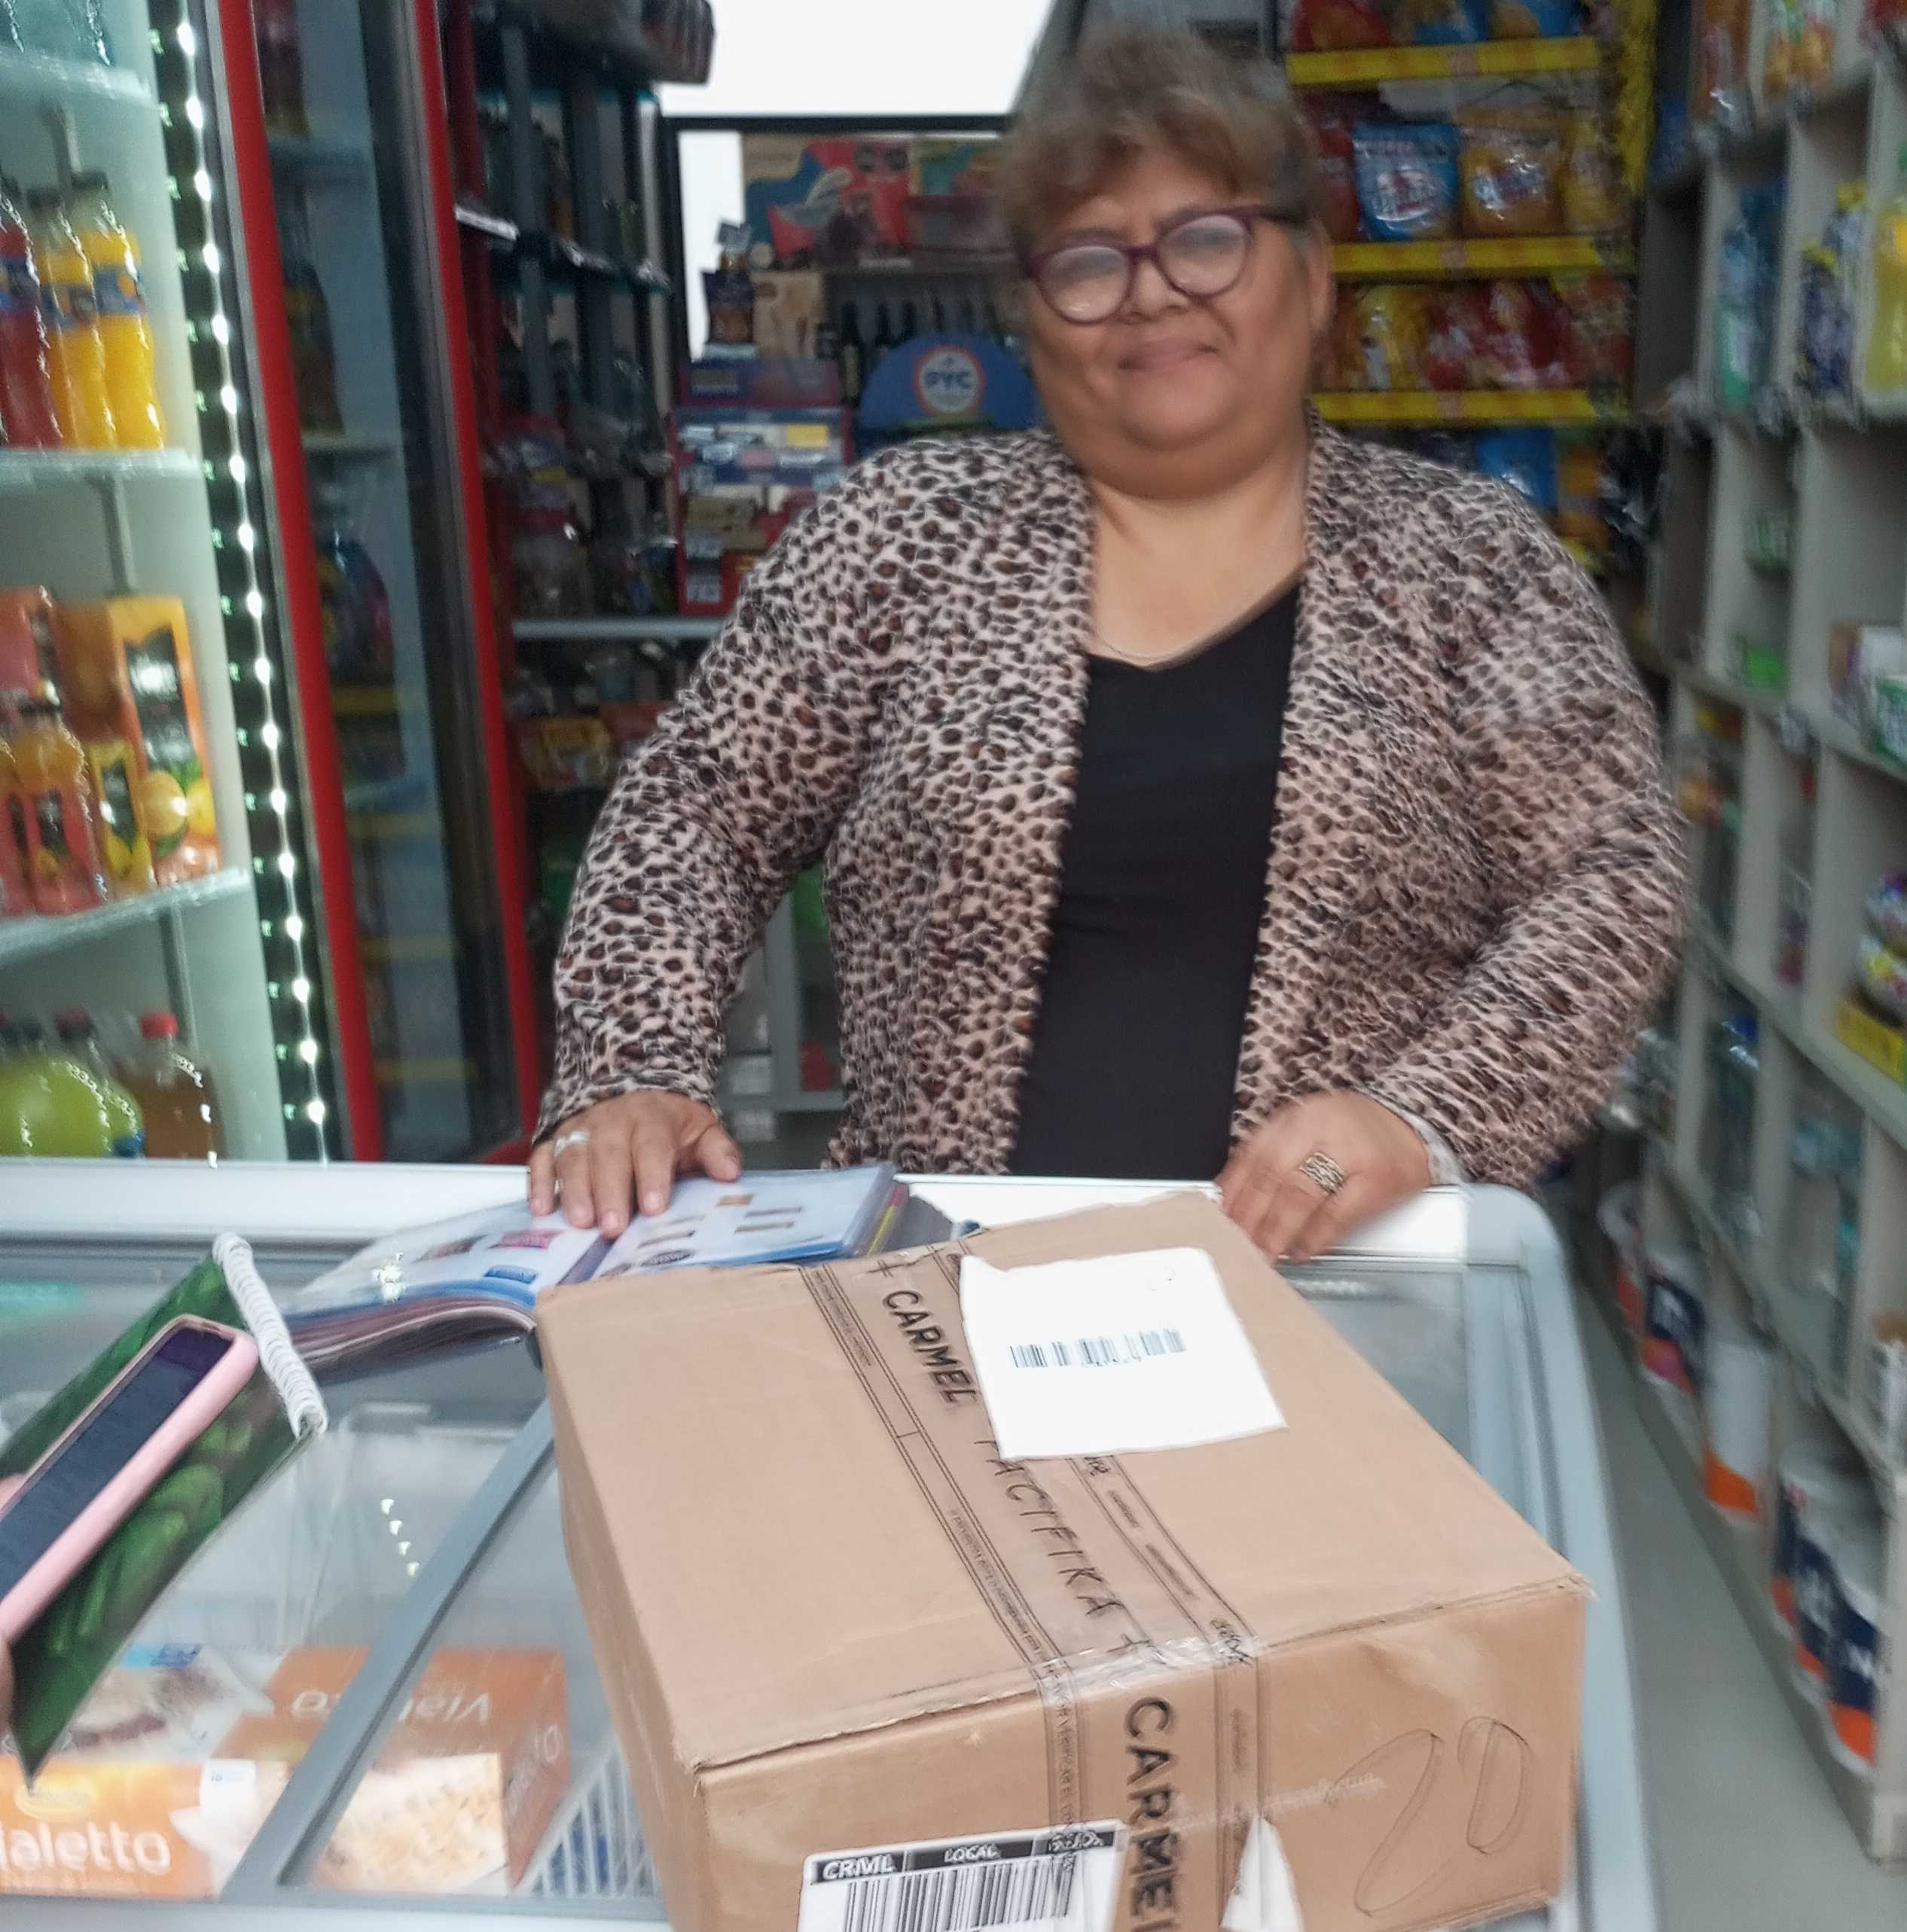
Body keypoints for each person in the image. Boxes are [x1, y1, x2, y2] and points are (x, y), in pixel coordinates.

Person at [531, 26, 1679, 1259]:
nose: (1151, 292)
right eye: (1089, 261)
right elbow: (698, 810)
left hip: (1333, 1300)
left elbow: (1610, 876)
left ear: (1314, 278)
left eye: (1206, 238)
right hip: (946, 1298)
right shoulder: (898, 536)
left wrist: (1421, 1117)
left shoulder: (1466, 564)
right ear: (1032, 319)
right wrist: (629, 1067)